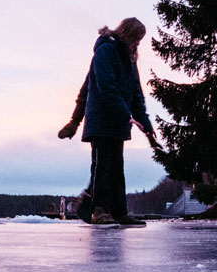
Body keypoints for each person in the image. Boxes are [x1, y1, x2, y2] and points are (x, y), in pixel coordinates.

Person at [58, 17, 160, 225]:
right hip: (101, 121)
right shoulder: (106, 51)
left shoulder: (129, 61)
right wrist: (75, 121)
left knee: (116, 168)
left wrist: (147, 128)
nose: (138, 44)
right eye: (136, 39)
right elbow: (104, 88)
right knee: (102, 166)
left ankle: (119, 212)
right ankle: (98, 210)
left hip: (118, 123)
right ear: (127, 34)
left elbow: (136, 96)